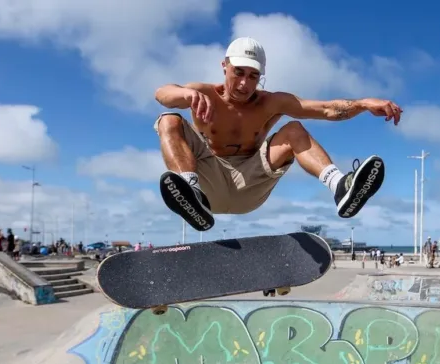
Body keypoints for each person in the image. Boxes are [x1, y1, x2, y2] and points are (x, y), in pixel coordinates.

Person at [153, 37, 402, 231]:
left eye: (253, 76)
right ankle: (189, 191)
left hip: (250, 185)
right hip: (208, 186)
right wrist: (185, 95)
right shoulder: (201, 93)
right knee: (169, 120)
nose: (244, 85)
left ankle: (340, 187)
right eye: (238, 72)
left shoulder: (271, 103)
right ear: (224, 66)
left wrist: (363, 104)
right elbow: (162, 94)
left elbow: (325, 109)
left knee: (294, 130)